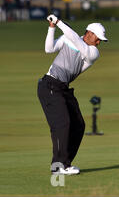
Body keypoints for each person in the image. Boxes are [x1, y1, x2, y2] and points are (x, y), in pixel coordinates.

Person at [37, 14, 108, 175]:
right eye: (98, 39)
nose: (99, 43)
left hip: (62, 88)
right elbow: (49, 49)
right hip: (49, 85)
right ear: (89, 33)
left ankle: (65, 163)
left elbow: (76, 40)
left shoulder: (93, 53)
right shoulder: (69, 38)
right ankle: (59, 166)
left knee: (78, 125)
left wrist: (59, 22)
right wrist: (52, 28)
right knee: (62, 124)